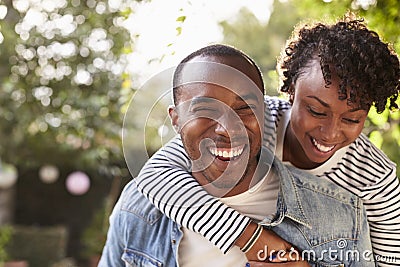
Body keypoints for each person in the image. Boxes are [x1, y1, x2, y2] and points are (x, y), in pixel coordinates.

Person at [132, 15, 400, 266]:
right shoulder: (258, 118)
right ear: (291, 91)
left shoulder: (374, 176)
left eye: (351, 120)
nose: (330, 133)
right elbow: (155, 175)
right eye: (316, 111)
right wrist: (255, 241)